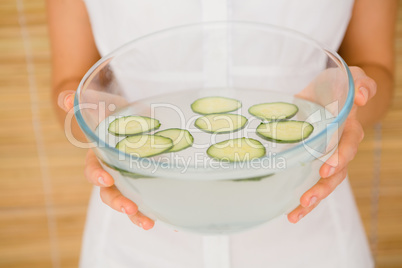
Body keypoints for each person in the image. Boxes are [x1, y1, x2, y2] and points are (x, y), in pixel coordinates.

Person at [47, 0, 396, 267]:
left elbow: (376, 68)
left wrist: (343, 104)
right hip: (138, 228)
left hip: (310, 225)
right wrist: (97, 119)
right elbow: (71, 83)